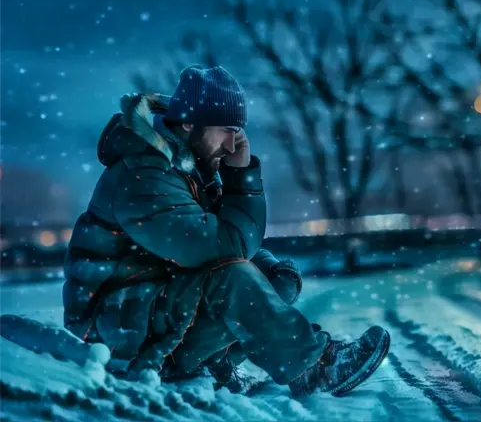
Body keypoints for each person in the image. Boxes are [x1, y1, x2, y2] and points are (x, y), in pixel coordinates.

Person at [62, 65, 390, 396]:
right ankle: (316, 366)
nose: (234, 144)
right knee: (235, 278)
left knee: (272, 276)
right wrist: (241, 176)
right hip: (113, 329)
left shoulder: (187, 166)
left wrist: (240, 177)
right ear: (189, 123)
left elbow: (233, 245)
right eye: (226, 130)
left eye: (238, 131)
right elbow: (224, 247)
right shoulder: (145, 175)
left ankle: (213, 362)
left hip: (147, 309)